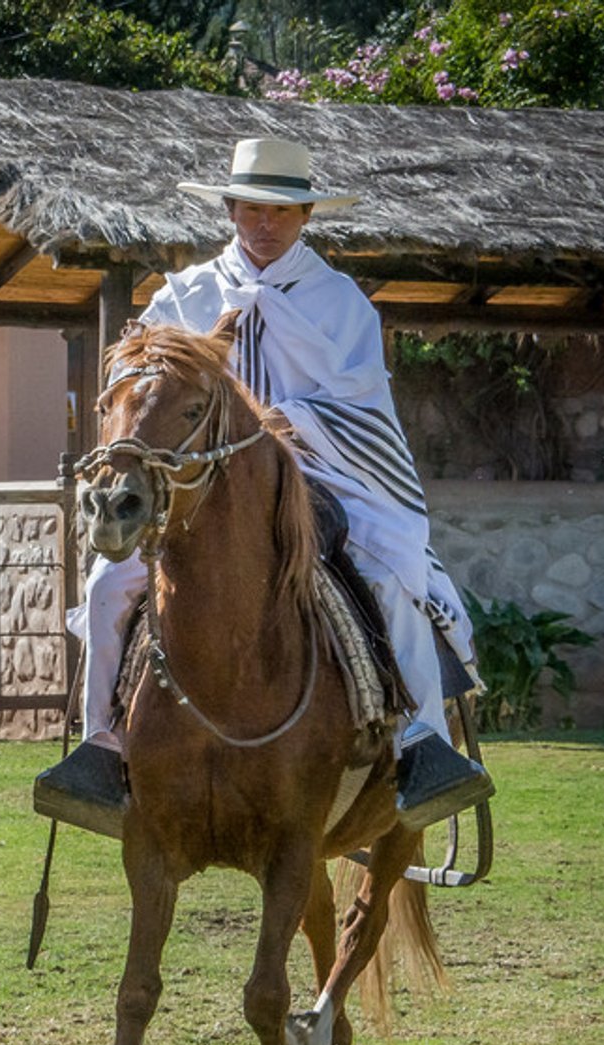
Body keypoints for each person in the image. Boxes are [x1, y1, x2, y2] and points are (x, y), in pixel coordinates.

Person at [35, 137, 492, 835]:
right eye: (252, 208)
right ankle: (100, 744)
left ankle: (421, 743)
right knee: (106, 585)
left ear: (306, 216)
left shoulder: (342, 304)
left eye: (281, 211)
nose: (264, 224)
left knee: (392, 572)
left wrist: (293, 419)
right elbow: (136, 390)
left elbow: (366, 410)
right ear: (230, 208)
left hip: (321, 474)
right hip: (193, 488)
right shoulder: (181, 296)